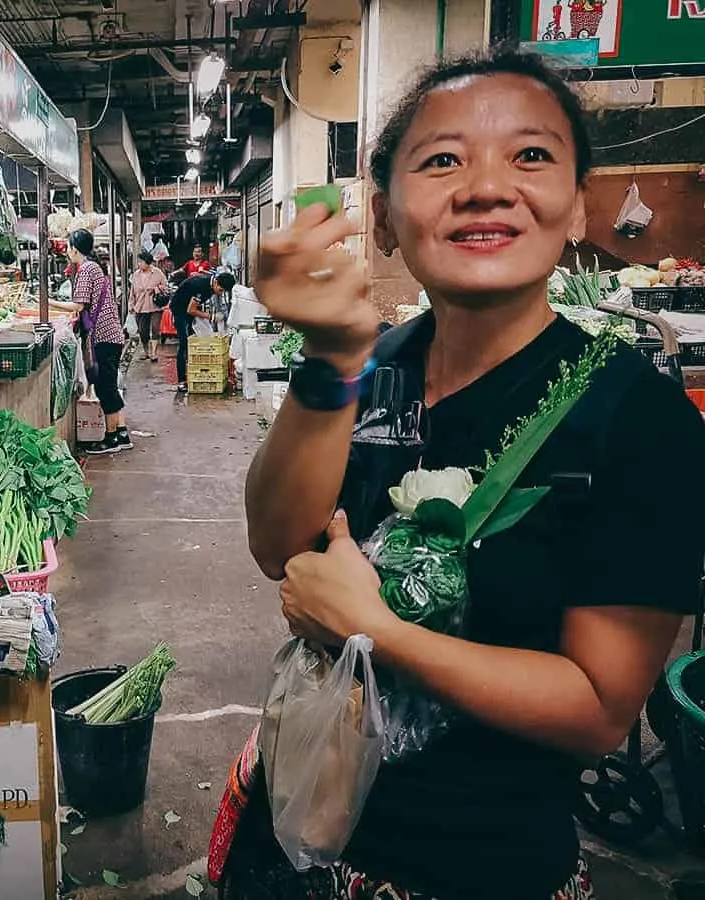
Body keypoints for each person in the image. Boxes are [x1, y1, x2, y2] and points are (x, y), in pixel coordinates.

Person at [228, 47, 705, 900]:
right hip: (300, 825)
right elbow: (277, 545)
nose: (486, 186)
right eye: (442, 159)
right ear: (383, 217)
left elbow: (599, 710)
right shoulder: (373, 366)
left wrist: (380, 629)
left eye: (530, 155)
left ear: (574, 210)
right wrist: (332, 356)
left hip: (483, 867)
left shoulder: (638, 420)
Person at [69, 228, 131, 454]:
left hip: (104, 336)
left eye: (68, 248)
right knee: (110, 385)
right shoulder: (95, 267)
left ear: (74, 249)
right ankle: (122, 433)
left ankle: (111, 438)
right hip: (112, 334)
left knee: (106, 388)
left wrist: (45, 303)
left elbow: (78, 305)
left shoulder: (86, 268)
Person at [171, 271, 235, 393]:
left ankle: (195, 374)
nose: (220, 293)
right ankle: (181, 381)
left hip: (188, 309)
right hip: (180, 311)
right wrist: (211, 317)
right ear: (216, 282)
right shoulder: (201, 286)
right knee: (185, 344)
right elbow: (191, 310)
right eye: (220, 290)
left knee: (194, 342)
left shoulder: (211, 285)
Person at [129, 250, 170, 361]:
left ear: (148, 263)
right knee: (143, 332)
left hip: (155, 306)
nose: (139, 264)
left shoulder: (157, 273)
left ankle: (154, 353)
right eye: (139, 262)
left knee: (155, 329)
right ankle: (147, 351)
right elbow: (132, 292)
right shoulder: (135, 275)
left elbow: (166, 287)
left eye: (141, 262)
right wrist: (131, 305)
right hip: (140, 307)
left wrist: (157, 289)